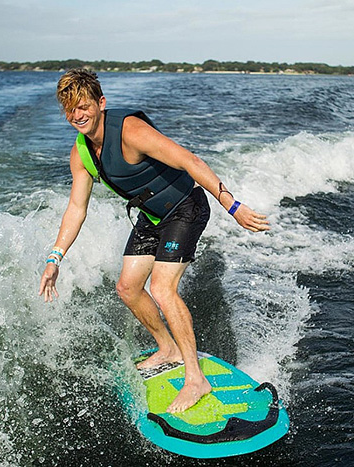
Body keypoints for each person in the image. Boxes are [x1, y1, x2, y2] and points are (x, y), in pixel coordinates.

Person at [38, 69, 269, 413]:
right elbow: (76, 208)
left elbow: (189, 161)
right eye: (70, 110)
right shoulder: (82, 154)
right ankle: (168, 348)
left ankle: (196, 379)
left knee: (163, 289)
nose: (78, 116)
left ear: (101, 103)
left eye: (83, 106)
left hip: (186, 207)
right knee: (128, 288)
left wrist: (232, 205)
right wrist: (55, 258)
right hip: (153, 216)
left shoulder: (130, 132)